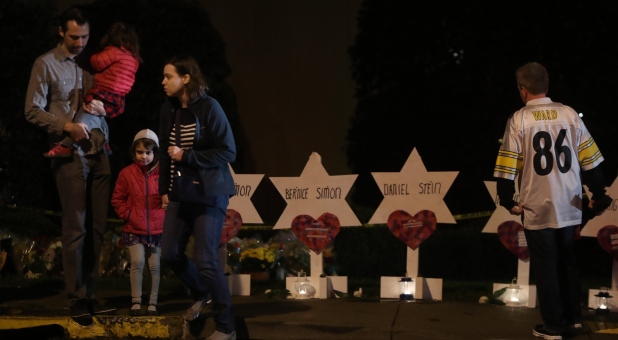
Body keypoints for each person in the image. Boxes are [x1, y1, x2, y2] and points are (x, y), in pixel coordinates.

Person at [494, 61, 612, 340]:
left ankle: (554, 326)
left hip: (538, 207)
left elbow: (507, 166)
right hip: (570, 204)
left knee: (546, 264)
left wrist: (506, 200)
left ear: (523, 90)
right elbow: (591, 160)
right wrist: (599, 194)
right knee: (566, 262)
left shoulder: (519, 119)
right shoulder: (569, 114)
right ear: (547, 86)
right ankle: (574, 320)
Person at [24, 5, 116, 323]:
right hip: (69, 154)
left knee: (98, 228)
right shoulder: (46, 64)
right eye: (74, 37)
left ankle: (90, 294)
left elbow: (110, 96)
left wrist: (108, 109)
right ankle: (76, 298)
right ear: (61, 32)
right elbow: (31, 110)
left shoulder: (93, 64)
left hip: (101, 150)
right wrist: (66, 127)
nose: (80, 43)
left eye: (85, 37)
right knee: (75, 227)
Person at [159, 55, 237, 340]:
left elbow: (228, 152)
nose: (163, 82)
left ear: (186, 78)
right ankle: (201, 292)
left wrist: (188, 156)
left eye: (169, 76)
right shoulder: (168, 110)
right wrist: (164, 190)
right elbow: (165, 152)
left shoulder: (209, 107)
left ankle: (226, 327)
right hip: (180, 194)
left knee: (205, 258)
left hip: (209, 192)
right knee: (169, 252)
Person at [44, 21, 140, 158]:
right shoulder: (134, 57)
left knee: (85, 114)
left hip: (105, 92)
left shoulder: (114, 51)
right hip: (119, 98)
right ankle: (104, 141)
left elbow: (97, 63)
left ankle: (65, 145)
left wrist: (93, 55)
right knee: (98, 115)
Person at [111, 129, 164, 316]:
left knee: (155, 266)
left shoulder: (164, 173)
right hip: (134, 227)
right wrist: (129, 214)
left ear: (155, 152)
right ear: (134, 152)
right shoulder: (127, 174)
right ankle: (136, 301)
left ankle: (152, 303)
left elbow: (171, 197)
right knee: (138, 262)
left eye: (148, 152)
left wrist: (164, 215)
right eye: (140, 152)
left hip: (157, 229)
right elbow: (118, 199)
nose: (144, 156)